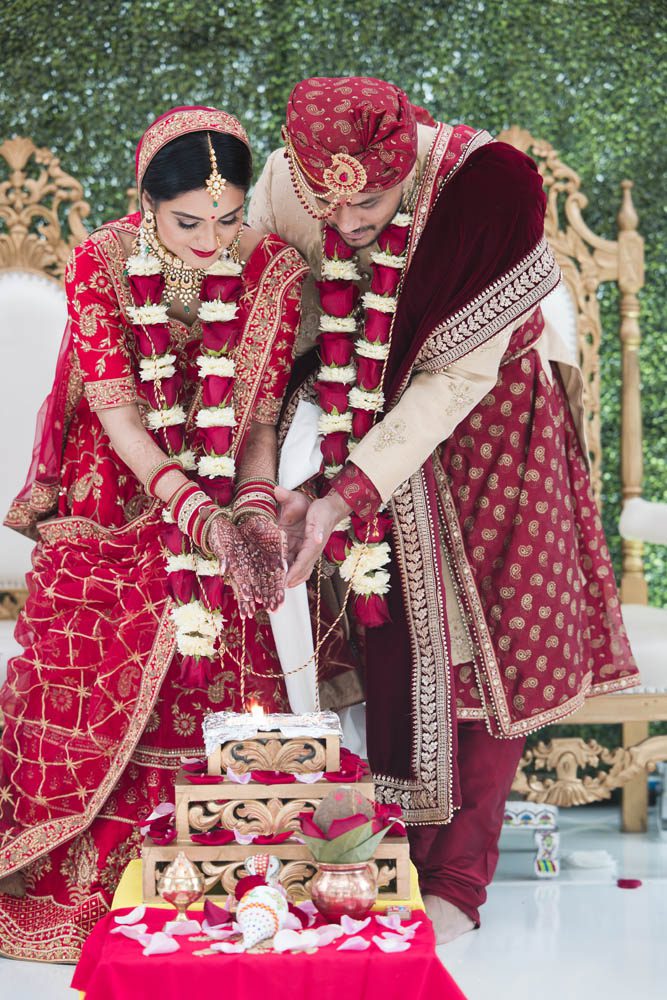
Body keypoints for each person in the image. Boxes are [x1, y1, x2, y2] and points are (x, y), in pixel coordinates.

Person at [248, 77, 639, 943]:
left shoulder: (483, 191)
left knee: (488, 648)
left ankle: (458, 880)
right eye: (329, 206)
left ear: (403, 168)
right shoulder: (280, 186)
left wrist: (348, 491)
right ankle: (383, 855)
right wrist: (288, 480)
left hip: (494, 431)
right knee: (383, 634)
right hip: (353, 424)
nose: (347, 225)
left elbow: (452, 382)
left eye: (370, 205)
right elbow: (282, 342)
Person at [0, 106, 309, 961]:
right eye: (187, 222)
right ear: (146, 205)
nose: (211, 241)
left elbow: (258, 422)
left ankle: (223, 869)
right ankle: (83, 874)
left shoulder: (275, 271)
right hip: (114, 490)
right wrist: (190, 510)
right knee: (96, 658)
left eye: (228, 219)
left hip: (221, 485)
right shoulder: (100, 260)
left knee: (222, 644)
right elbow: (117, 414)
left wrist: (251, 508)